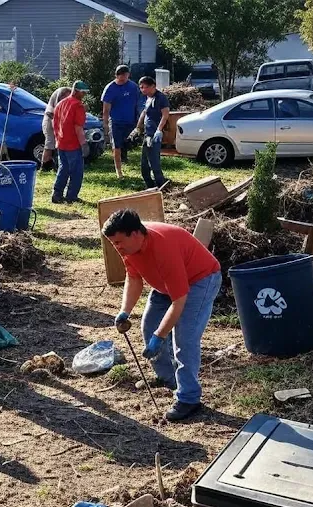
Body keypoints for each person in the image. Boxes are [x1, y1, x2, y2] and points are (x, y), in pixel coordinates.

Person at [102, 209, 221, 422]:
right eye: (113, 243)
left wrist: (161, 334)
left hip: (199, 280)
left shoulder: (163, 248)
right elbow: (134, 278)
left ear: (136, 234)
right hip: (166, 284)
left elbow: (179, 301)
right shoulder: (129, 247)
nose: (116, 247)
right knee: (148, 326)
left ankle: (189, 398)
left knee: (184, 338)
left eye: (119, 242)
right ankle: (167, 377)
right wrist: (125, 311)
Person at [101, 65, 143, 179]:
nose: (124, 79)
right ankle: (119, 172)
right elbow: (106, 108)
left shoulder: (133, 86)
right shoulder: (110, 88)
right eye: (121, 77)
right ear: (116, 76)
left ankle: (143, 169)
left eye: (126, 76)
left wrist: (140, 120)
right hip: (116, 122)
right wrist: (105, 123)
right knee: (117, 146)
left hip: (131, 121)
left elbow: (139, 103)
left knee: (134, 144)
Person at [52, 81, 90, 205]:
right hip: (73, 143)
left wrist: (58, 138)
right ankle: (71, 196)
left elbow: (55, 123)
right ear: (77, 91)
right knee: (76, 171)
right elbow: (78, 127)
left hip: (61, 142)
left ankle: (57, 194)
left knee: (63, 169)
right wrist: (84, 144)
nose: (84, 95)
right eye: (83, 92)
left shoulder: (60, 103)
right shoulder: (78, 106)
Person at [130, 76, 170, 189]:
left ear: (153, 86)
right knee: (144, 163)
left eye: (145, 87)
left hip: (154, 135)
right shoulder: (148, 98)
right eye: (141, 87)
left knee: (153, 162)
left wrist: (159, 130)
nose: (143, 90)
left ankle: (161, 185)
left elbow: (165, 115)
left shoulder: (160, 98)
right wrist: (138, 128)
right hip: (147, 135)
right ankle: (149, 185)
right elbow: (144, 112)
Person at [41, 86, 71, 172]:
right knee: (50, 143)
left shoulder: (67, 95)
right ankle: (44, 166)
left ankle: (55, 164)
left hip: (55, 120)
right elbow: (51, 114)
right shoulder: (58, 98)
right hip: (49, 121)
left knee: (58, 143)